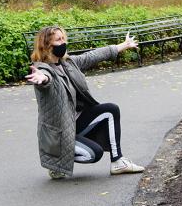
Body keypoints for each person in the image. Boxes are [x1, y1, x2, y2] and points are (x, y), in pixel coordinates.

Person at [25, 27, 146, 179]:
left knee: (110, 110)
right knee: (94, 154)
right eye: (58, 40)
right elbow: (46, 79)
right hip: (61, 133)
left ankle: (118, 162)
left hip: (75, 123)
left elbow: (92, 56)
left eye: (63, 38)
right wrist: (43, 79)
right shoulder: (41, 69)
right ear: (47, 45)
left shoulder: (68, 63)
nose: (63, 42)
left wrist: (123, 45)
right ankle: (57, 164)